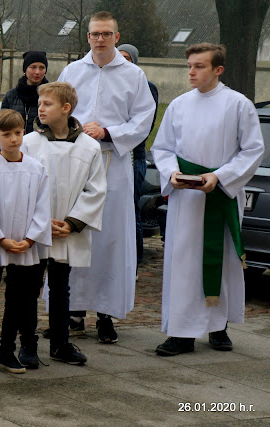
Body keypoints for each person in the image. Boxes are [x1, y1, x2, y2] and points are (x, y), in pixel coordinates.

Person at [151, 43, 264, 356]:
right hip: (186, 200)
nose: (191, 72)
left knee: (221, 260)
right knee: (184, 263)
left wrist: (220, 177)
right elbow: (162, 148)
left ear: (218, 70)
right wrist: (172, 173)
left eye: (199, 66)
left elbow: (253, 150)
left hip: (220, 195)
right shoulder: (179, 105)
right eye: (189, 65)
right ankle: (181, 332)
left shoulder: (238, 105)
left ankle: (217, 326)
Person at [58, 11, 155, 343]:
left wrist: (108, 131)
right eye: (95, 34)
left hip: (113, 162)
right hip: (76, 163)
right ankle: (71, 311)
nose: (100, 39)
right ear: (87, 36)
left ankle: (105, 314)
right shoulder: (72, 71)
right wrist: (73, 130)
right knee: (74, 233)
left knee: (110, 237)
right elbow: (56, 108)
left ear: (117, 36)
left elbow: (144, 118)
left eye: (106, 34)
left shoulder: (133, 75)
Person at [23, 82, 107, 365]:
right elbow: (22, 184)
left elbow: (96, 189)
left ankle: (60, 344)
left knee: (60, 288)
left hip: (66, 231)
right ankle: (27, 345)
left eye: (47, 104)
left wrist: (71, 223)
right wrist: (39, 222)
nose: (41, 109)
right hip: (36, 229)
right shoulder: (29, 143)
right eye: (40, 103)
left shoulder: (89, 147)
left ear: (66, 108)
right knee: (30, 287)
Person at [0, 109, 51, 375]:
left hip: (25, 243)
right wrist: (0, 238)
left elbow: (43, 207)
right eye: (7, 135)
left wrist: (30, 239)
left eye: (18, 133)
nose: (14, 139)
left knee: (17, 300)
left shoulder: (36, 168)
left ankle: (7, 352)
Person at [117, 43, 159, 268]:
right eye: (119, 57)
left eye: (127, 58)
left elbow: (144, 125)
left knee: (131, 208)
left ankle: (135, 257)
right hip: (112, 154)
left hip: (134, 156)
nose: (123, 61)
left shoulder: (146, 87)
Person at [1, 51, 49, 134]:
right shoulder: (11, 96)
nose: (37, 72)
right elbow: (3, 124)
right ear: (25, 69)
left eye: (41, 68)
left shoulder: (51, 96)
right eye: (33, 67)